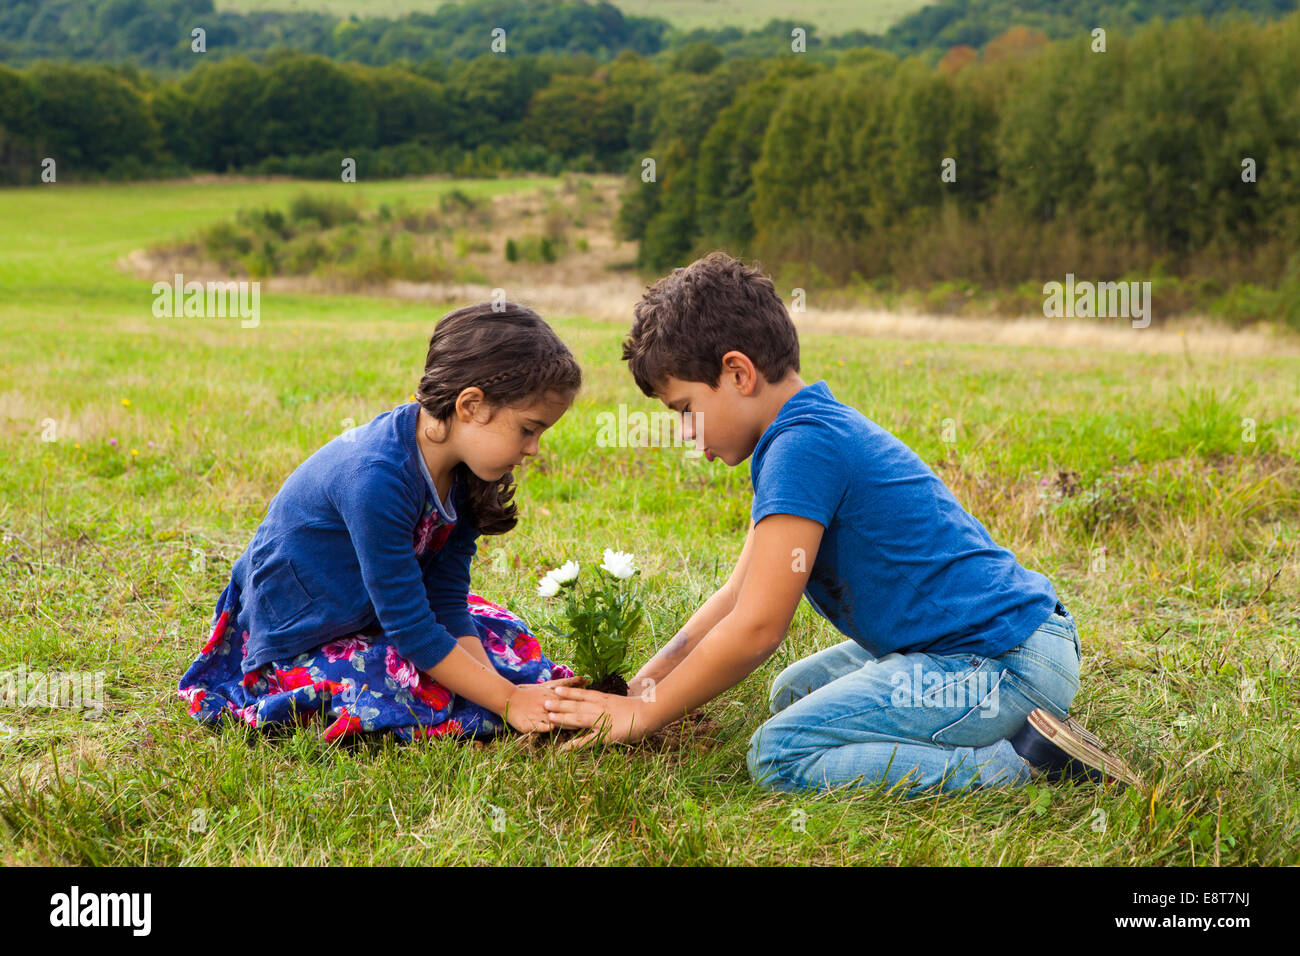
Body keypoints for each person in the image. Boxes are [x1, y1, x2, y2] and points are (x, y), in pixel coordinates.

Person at [543, 252, 1143, 796]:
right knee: (792, 694)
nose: (684, 431)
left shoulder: (802, 449)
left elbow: (756, 628)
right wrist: (641, 689)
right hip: (1007, 648)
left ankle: (1024, 766)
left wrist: (645, 717)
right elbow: (734, 598)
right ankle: (1009, 724)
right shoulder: (801, 433)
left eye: (685, 409)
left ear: (738, 373)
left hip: (997, 662)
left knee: (780, 754)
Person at [178, 302, 582, 742]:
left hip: (376, 614)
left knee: (502, 645)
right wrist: (506, 701)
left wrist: (502, 691)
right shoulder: (374, 478)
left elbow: (445, 600)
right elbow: (411, 627)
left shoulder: (466, 472)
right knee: (402, 686)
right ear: (471, 405)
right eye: (528, 429)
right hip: (304, 632)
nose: (535, 449)